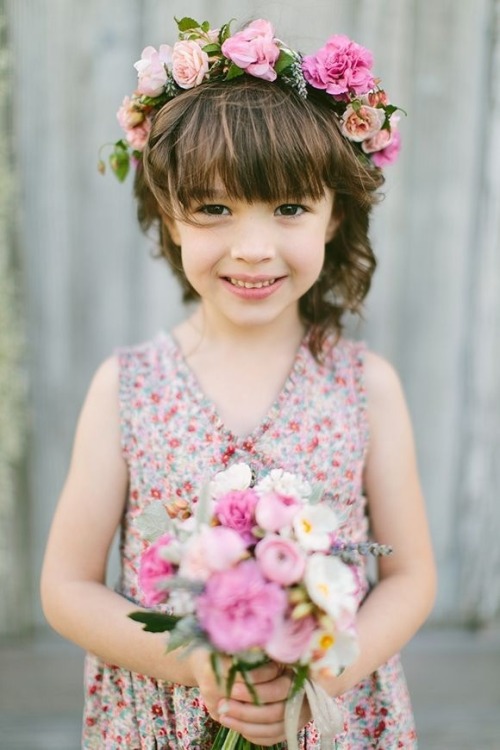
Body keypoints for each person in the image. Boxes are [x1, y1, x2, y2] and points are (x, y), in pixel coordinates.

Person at [41, 16, 436, 749]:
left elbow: (411, 575)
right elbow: (66, 588)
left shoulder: (364, 386)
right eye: (215, 208)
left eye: (289, 208)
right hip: (165, 713)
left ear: (333, 214)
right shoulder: (127, 388)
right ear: (171, 214)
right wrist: (201, 664)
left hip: (328, 712)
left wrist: (320, 670)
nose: (253, 249)